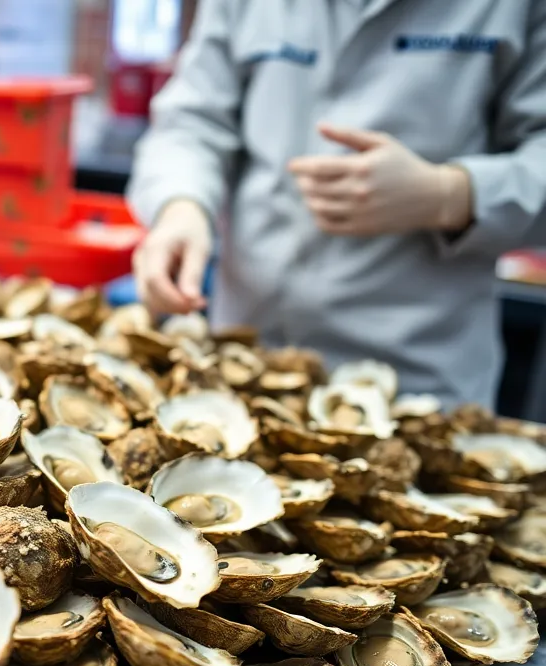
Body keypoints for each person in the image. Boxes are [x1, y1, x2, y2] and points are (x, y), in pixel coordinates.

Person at [129, 0, 546, 408]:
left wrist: (448, 194)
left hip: (417, 387)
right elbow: (192, 121)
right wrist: (180, 206)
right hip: (240, 363)